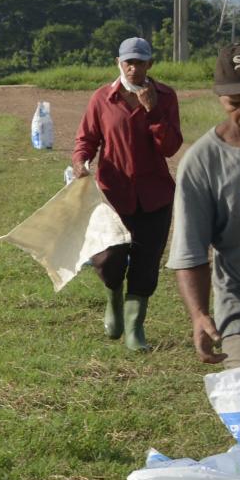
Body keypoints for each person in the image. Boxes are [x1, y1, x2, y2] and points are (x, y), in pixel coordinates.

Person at [71, 37, 182, 351]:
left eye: (140, 62)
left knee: (146, 262)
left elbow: (170, 147)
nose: (134, 69)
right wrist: (80, 162)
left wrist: (153, 112)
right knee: (109, 257)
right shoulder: (103, 98)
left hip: (155, 194)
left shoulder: (165, 97)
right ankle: (113, 299)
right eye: (128, 62)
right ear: (118, 63)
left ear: (151, 64)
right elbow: (86, 140)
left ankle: (135, 328)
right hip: (113, 195)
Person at [168, 44, 240, 367]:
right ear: (219, 99)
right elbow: (191, 249)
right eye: (236, 104)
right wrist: (200, 314)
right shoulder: (203, 162)